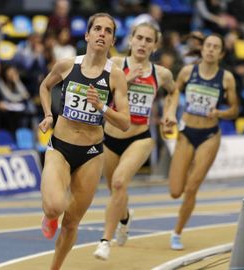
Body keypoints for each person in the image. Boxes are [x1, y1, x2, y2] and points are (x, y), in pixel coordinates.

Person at [38, 13, 130, 270]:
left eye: (108, 31)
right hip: (60, 147)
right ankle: (49, 216)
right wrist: (48, 115)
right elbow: (45, 87)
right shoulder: (67, 65)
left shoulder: (115, 77)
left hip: (91, 153)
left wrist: (102, 107)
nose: (102, 33)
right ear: (87, 35)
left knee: (71, 223)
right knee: (55, 207)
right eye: (97, 29)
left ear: (112, 39)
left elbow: (124, 122)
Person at [93, 22, 178, 261]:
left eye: (148, 40)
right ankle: (125, 217)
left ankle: (104, 242)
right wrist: (127, 81)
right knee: (114, 190)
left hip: (140, 137)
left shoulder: (161, 73)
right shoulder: (116, 65)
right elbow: (100, 96)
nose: (142, 43)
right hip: (110, 137)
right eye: (139, 38)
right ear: (130, 40)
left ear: (155, 46)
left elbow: (174, 91)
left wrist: (171, 113)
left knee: (120, 183)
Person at [168, 33, 239, 250]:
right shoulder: (188, 71)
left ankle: (177, 232)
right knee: (175, 191)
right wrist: (170, 112)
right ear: (202, 49)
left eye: (215, 47)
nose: (210, 49)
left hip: (209, 135)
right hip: (187, 132)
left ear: (221, 53)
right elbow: (173, 92)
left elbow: (234, 110)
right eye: (207, 45)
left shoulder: (226, 78)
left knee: (192, 187)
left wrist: (219, 112)